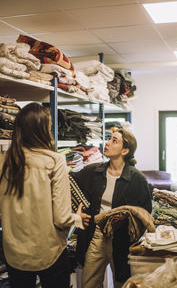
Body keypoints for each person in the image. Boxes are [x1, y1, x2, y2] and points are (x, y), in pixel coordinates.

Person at [0, 102, 91, 288]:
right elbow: (61, 217)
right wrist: (77, 218)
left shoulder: (5, 161)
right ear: (42, 129)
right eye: (49, 126)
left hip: (13, 252)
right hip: (47, 251)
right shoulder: (54, 160)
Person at [70, 128, 152, 288]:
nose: (107, 142)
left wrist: (128, 221)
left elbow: (146, 212)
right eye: (109, 138)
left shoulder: (137, 179)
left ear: (125, 150)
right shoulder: (93, 171)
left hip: (122, 238)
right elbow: (69, 182)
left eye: (114, 140)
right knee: (89, 282)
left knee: (123, 282)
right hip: (96, 233)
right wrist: (76, 211)